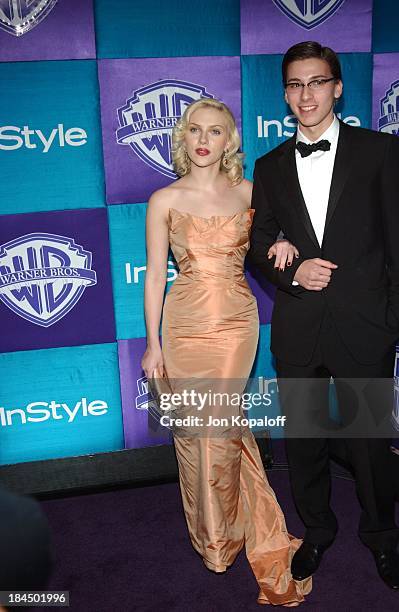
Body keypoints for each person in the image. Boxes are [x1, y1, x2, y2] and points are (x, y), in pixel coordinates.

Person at [141, 98, 311, 605]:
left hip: (236, 326)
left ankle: (230, 536)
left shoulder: (250, 192)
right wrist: (153, 344)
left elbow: (286, 235)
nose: (204, 140)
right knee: (199, 433)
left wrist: (283, 241)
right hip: (184, 324)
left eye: (215, 132)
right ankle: (213, 536)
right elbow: (154, 275)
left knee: (220, 427)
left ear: (229, 141)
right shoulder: (163, 199)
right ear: (183, 136)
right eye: (195, 129)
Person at [248, 40, 399, 589]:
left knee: (370, 442)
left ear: (337, 87)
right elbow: (258, 241)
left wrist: (391, 321)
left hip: (366, 326)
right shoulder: (268, 166)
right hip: (299, 325)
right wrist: (291, 270)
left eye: (315, 82)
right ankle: (316, 530)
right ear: (285, 95)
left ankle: (384, 537)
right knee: (305, 441)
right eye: (294, 84)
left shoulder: (380, 152)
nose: (305, 94)